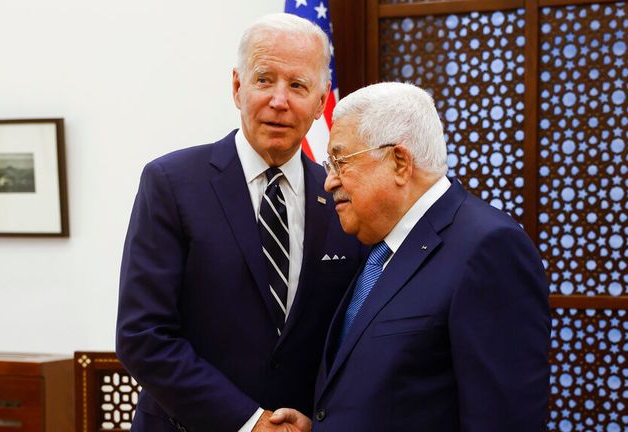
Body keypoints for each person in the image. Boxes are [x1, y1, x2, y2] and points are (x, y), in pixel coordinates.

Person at [116, 13, 362, 432]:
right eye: (264, 79)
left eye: (298, 85)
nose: (279, 101)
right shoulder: (171, 183)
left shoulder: (341, 195)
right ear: (237, 87)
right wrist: (248, 422)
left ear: (321, 103)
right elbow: (143, 335)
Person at [273, 82, 551, 431]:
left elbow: (504, 420)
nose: (329, 182)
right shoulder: (379, 248)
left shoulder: (488, 248)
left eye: (340, 162)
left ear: (400, 162)